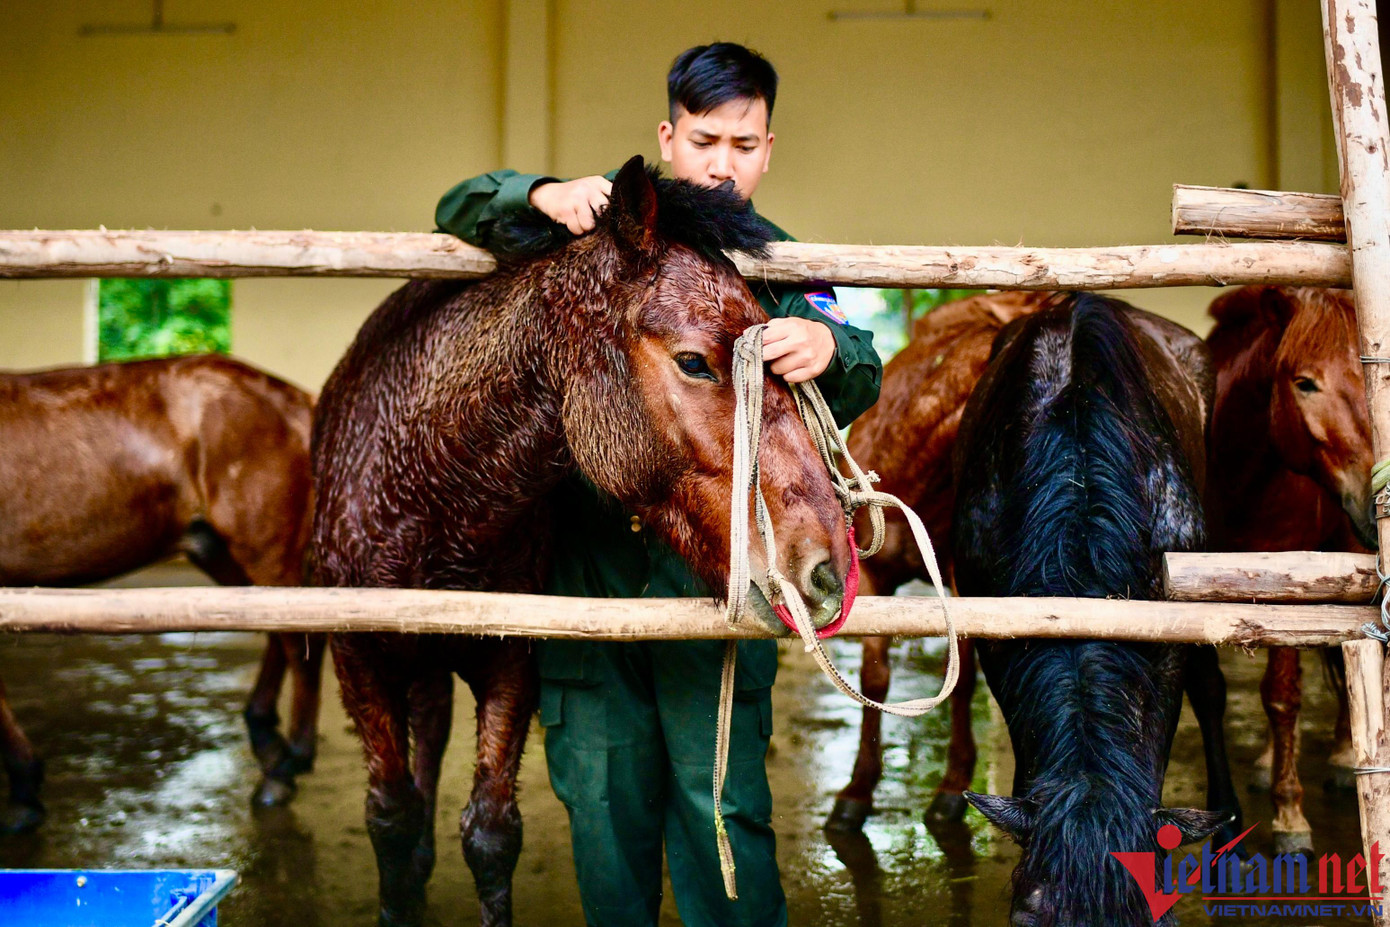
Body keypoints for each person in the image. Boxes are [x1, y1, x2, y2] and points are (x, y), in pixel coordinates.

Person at [435, 42, 882, 927]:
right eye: (706, 140)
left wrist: (834, 351)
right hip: (587, 576)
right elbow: (458, 205)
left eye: (744, 145)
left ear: (769, 146)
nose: (722, 165)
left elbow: (859, 362)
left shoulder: (772, 261)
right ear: (668, 137)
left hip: (713, 582)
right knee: (604, 819)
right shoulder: (592, 222)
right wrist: (536, 193)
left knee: (724, 809)